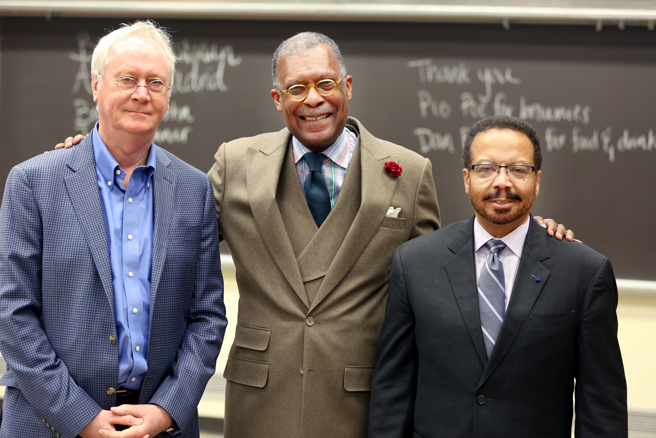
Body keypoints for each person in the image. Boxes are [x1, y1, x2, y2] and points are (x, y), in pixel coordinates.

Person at [58, 32, 572, 438]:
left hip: (362, 399)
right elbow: (164, 231)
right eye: (296, 89)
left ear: (347, 87)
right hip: (260, 396)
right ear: (277, 98)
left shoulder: (407, 172)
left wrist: (530, 237)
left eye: (325, 84)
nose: (313, 100)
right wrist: (102, 158)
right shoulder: (236, 162)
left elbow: (444, 278)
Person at [0, 21, 227, 438]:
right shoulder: (33, 182)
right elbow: (12, 315)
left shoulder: (194, 190)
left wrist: (166, 411)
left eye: (156, 82)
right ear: (97, 86)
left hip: (157, 427)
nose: (142, 93)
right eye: (127, 79)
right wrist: (79, 416)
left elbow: (207, 317)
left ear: (168, 97)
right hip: (50, 424)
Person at [369, 115, 627, 438]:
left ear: (537, 180)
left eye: (518, 169)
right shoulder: (414, 263)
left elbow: (602, 407)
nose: (502, 182)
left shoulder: (584, 273)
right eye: (486, 168)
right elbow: (392, 388)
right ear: (466, 179)